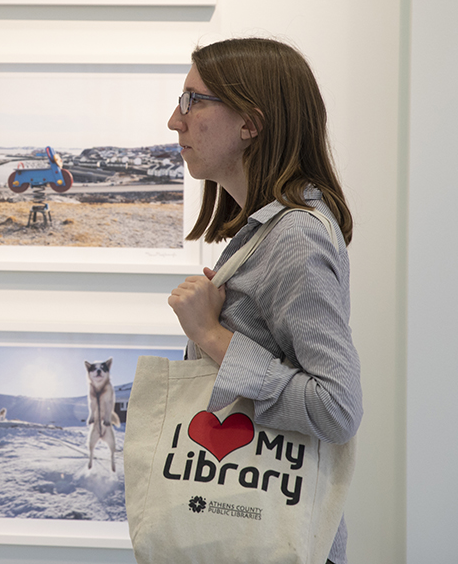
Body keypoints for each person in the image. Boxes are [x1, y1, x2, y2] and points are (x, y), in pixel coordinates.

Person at [165, 37, 362, 564]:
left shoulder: (295, 235)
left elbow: (337, 407)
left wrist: (211, 335)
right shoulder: (267, 231)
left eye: (191, 101)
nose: (174, 121)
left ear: (250, 124)